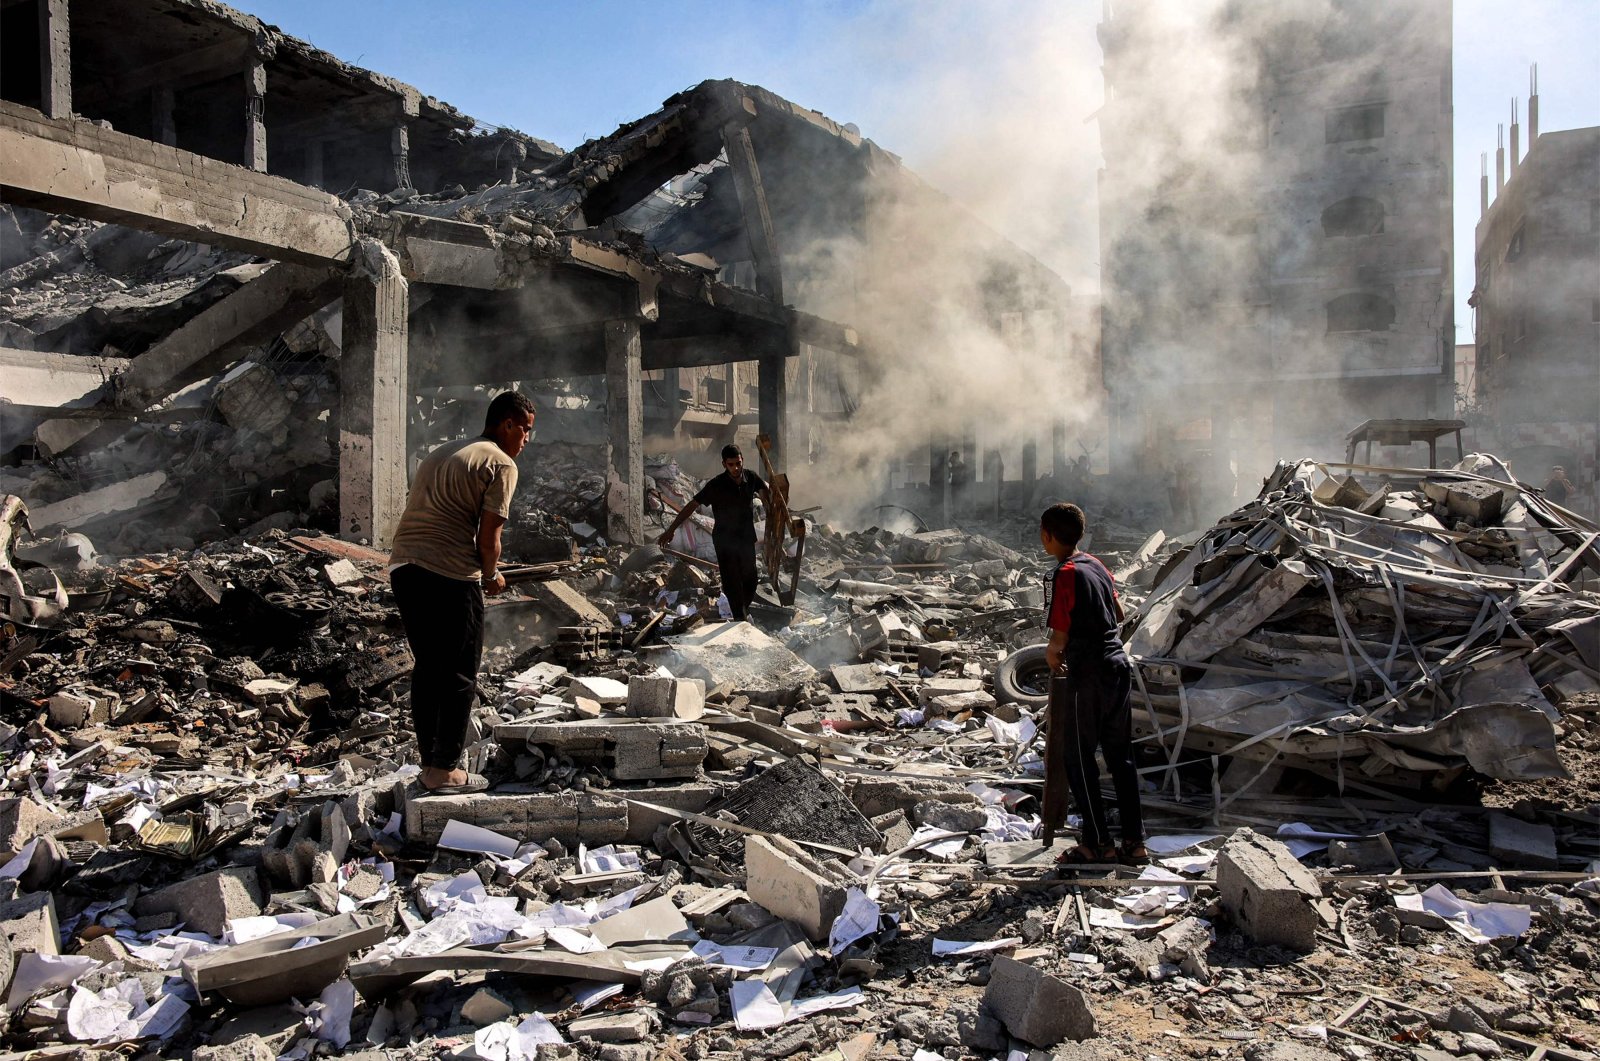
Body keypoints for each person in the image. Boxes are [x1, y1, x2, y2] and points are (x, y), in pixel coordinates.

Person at [388, 392, 535, 794]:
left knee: (429, 667)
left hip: (404, 566)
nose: (526, 440)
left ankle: (429, 763)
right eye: (524, 430)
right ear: (506, 424)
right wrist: (491, 574)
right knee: (459, 671)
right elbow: (489, 535)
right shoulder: (500, 463)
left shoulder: (444, 451)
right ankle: (446, 769)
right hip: (449, 571)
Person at [1039, 501, 1145, 865]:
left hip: (1088, 672)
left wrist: (1054, 656)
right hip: (1118, 666)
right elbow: (1119, 613)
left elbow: (1057, 643)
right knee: (1120, 756)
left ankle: (1097, 843)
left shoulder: (1063, 574)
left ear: (1046, 536)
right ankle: (1135, 842)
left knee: (1079, 757)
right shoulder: (1096, 565)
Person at [657, 444, 770, 621]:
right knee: (732, 581)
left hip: (745, 538)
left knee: (750, 578)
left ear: (742, 460)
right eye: (731, 464)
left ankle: (742, 610)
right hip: (724, 541)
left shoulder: (751, 477)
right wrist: (671, 530)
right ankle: (740, 618)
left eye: (738, 463)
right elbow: (691, 507)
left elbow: (767, 495)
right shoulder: (716, 485)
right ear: (724, 464)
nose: (736, 468)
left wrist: (772, 505)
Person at [947, 450, 969, 518]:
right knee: (954, 499)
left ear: (957, 457)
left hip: (960, 485)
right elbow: (950, 473)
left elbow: (962, 475)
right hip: (955, 485)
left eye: (954, 457)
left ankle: (959, 513)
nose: (952, 459)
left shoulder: (962, 466)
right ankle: (956, 513)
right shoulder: (955, 465)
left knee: (959, 499)